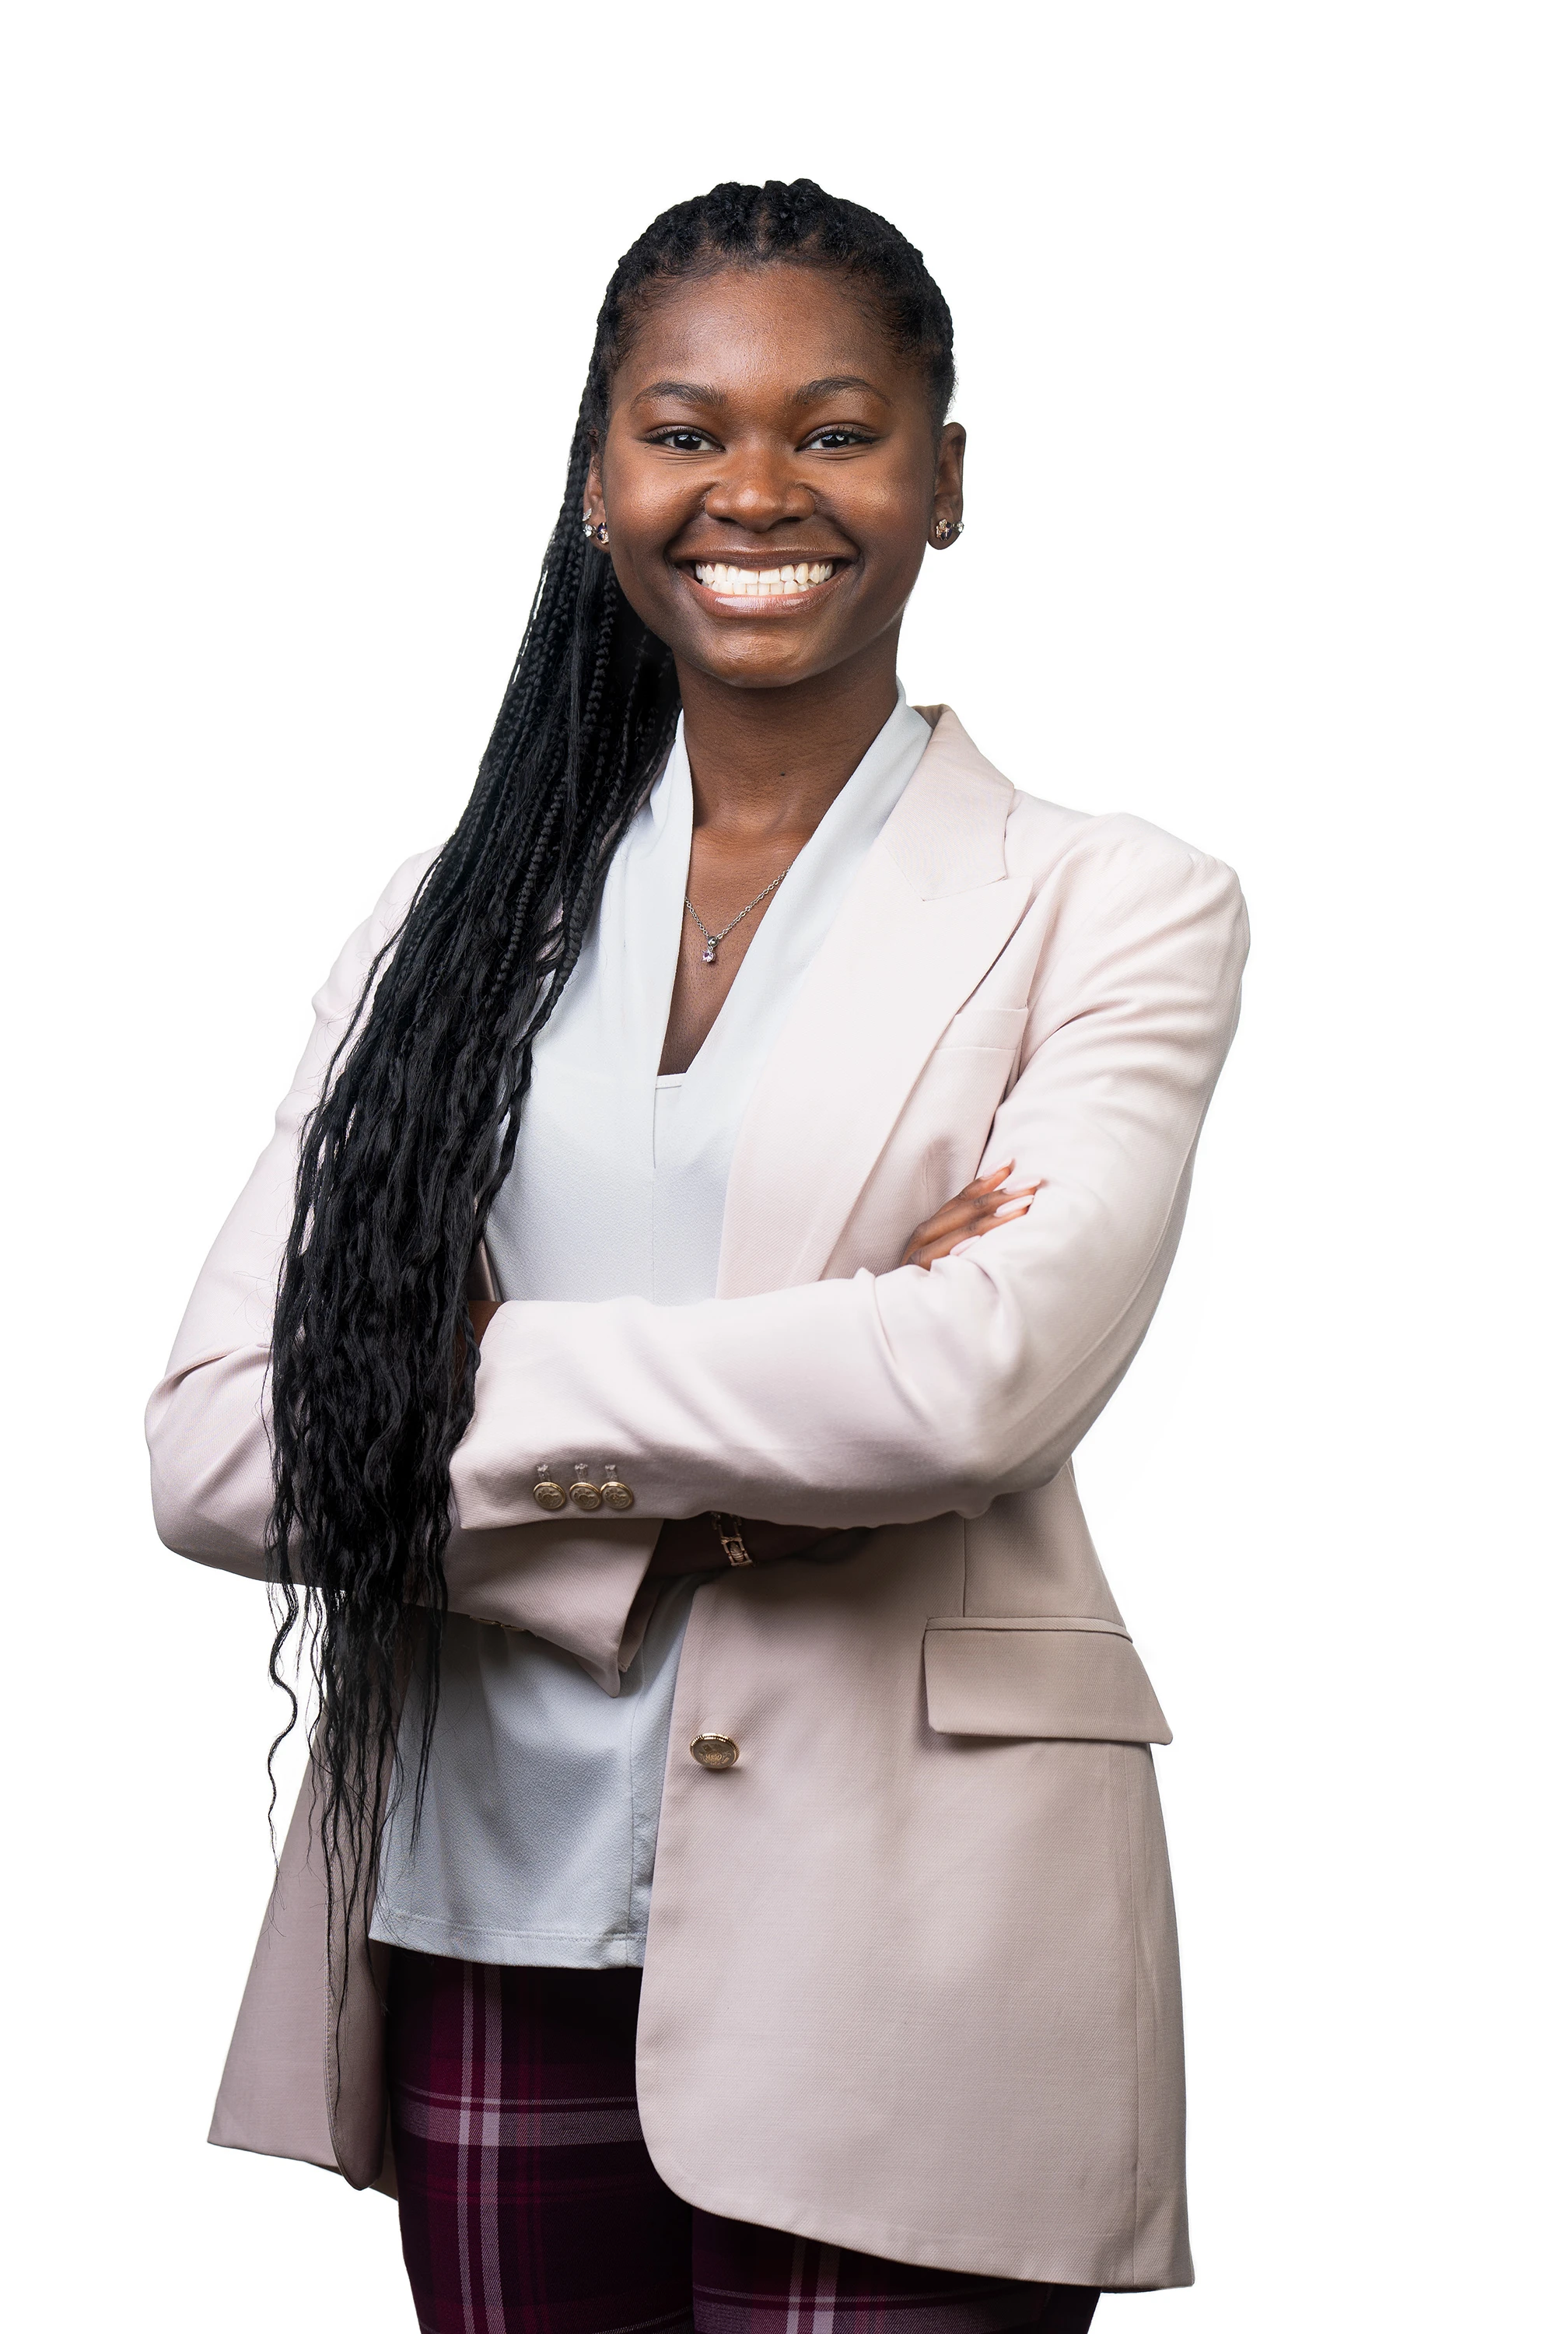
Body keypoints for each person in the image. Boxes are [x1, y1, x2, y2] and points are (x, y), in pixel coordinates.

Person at [148, 179, 1248, 2334]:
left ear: (944, 482)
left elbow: (974, 1385)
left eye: (836, 432)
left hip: (914, 1930)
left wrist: (473, 1383)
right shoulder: (444, 921)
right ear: (598, 486)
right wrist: (749, 1442)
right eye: (687, 428)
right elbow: (212, 1450)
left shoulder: (1111, 903)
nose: (757, 489)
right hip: (489, 1894)